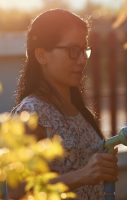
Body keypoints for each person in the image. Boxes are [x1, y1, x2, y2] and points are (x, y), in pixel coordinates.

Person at [11, 8, 118, 199]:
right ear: (42, 55)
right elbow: (18, 193)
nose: (82, 59)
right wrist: (83, 175)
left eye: (84, 50)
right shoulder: (32, 114)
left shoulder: (79, 111)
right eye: (73, 51)